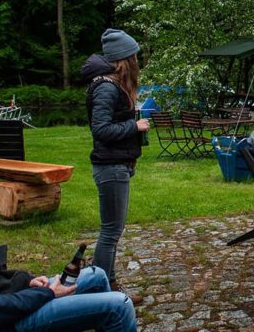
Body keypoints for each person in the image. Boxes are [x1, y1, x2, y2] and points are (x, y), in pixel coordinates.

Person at [80, 28, 149, 304]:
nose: (137, 61)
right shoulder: (107, 87)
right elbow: (101, 129)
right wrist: (134, 125)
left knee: (112, 231)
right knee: (110, 232)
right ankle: (102, 289)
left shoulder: (112, 85)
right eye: (134, 56)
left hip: (117, 165)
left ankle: (107, 283)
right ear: (125, 58)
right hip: (110, 167)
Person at [0, 261, 136, 332]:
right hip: (7, 322)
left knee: (97, 275)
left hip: (7, 297)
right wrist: (47, 293)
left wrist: (27, 282)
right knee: (120, 306)